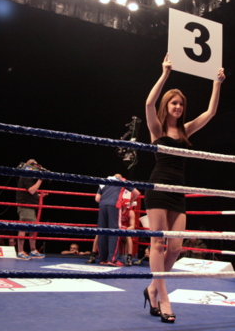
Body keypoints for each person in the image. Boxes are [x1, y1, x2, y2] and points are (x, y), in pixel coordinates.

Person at [143, 53, 225, 323]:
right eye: (174, 103)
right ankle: (163, 297)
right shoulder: (157, 130)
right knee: (158, 243)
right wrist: (165, 73)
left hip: (178, 190)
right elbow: (149, 103)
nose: (178, 107)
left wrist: (216, 83)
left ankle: (152, 287)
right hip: (157, 188)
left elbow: (210, 113)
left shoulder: (186, 132)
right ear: (167, 105)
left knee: (176, 247)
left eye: (181, 104)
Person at [95, 174, 140, 266]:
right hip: (114, 205)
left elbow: (97, 199)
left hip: (102, 206)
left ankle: (103, 259)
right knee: (114, 232)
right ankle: (112, 260)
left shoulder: (104, 182)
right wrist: (130, 201)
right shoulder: (122, 180)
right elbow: (137, 193)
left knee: (102, 232)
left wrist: (106, 201)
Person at [15, 159, 47, 260]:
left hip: (30, 205)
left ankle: (33, 250)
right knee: (23, 228)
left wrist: (39, 195)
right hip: (25, 206)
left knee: (33, 229)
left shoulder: (29, 177)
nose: (38, 167)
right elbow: (31, 190)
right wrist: (40, 180)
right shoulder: (26, 176)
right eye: (36, 165)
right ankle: (20, 252)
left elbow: (31, 193)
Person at [120, 200, 137, 266]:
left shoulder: (130, 212)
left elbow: (132, 226)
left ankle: (129, 257)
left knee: (128, 236)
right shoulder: (116, 211)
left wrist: (124, 230)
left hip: (126, 231)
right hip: (117, 230)